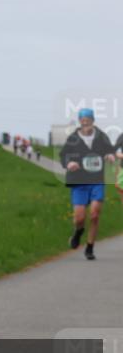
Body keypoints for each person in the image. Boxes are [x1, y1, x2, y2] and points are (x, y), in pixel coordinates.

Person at [60, 108, 117, 260]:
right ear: (80, 121)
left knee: (95, 214)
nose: (85, 122)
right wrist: (69, 163)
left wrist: (110, 155)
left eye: (88, 119)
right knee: (79, 218)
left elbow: (110, 150)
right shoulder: (73, 138)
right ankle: (78, 233)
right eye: (82, 120)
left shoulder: (101, 136)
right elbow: (63, 155)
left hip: (96, 180)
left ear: (93, 120)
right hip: (78, 181)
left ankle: (90, 248)